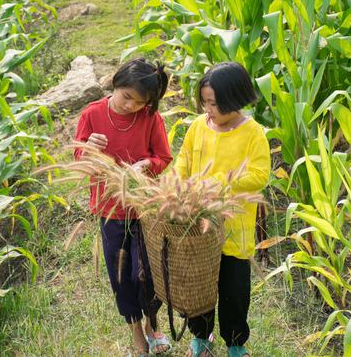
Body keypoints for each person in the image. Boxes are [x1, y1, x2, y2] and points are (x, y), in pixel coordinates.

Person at [74, 58, 173, 356]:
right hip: (110, 211)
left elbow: (163, 158)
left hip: (143, 209)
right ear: (116, 83)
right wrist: (89, 146)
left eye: (140, 102)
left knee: (144, 273)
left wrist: (147, 165)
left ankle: (152, 325)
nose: (131, 106)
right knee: (120, 276)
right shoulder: (92, 115)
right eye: (127, 96)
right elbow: (79, 157)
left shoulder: (151, 119)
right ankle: (135, 331)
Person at [175, 62, 271, 357]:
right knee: (198, 288)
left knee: (234, 292)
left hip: (234, 228)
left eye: (214, 104)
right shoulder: (197, 127)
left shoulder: (253, 133)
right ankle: (201, 337)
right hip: (198, 226)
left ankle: (235, 343)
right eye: (204, 103)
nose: (208, 109)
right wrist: (179, 183)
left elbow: (259, 174)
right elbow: (183, 159)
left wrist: (217, 183)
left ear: (235, 98)